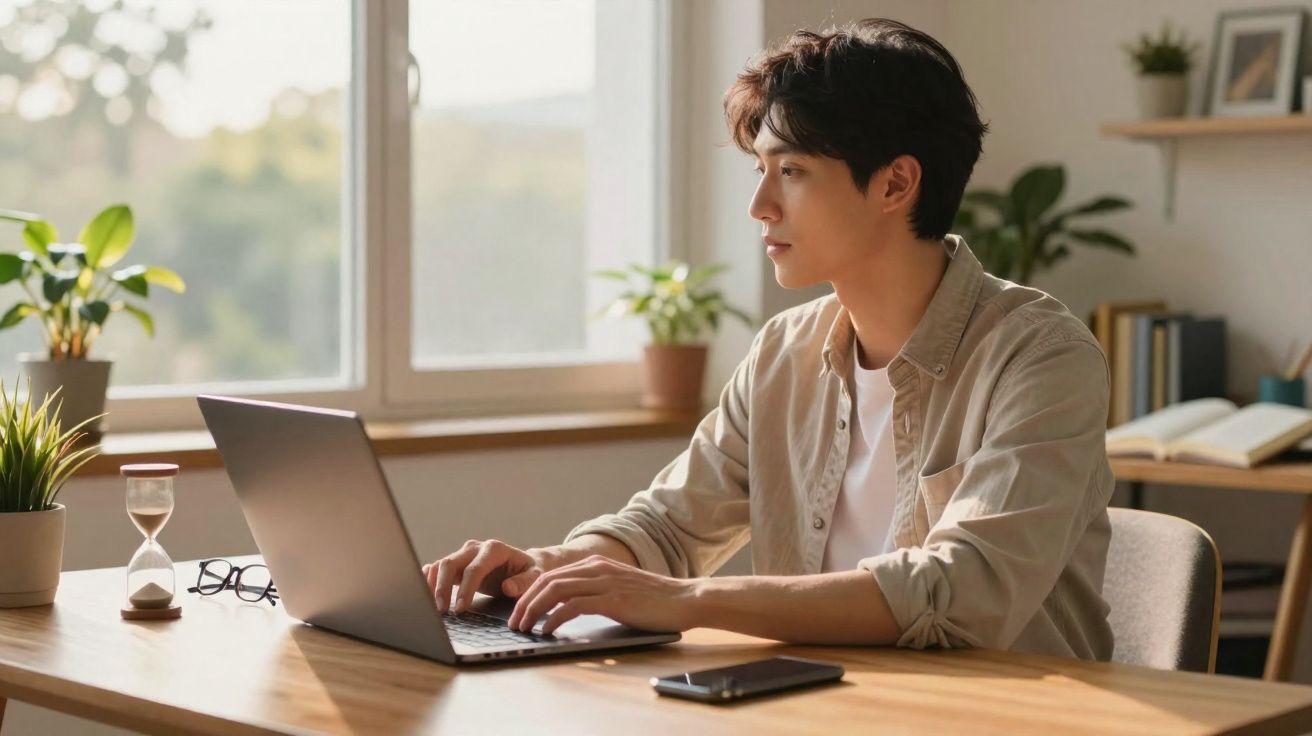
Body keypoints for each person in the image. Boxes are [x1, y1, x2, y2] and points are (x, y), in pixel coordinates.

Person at [422, 18, 1115, 659]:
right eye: (760, 170)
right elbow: (668, 529)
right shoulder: (785, 352)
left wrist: (687, 602)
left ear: (897, 184)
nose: (760, 206)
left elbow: (960, 591)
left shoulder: (1039, 355)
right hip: (816, 710)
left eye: (791, 171)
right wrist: (544, 569)